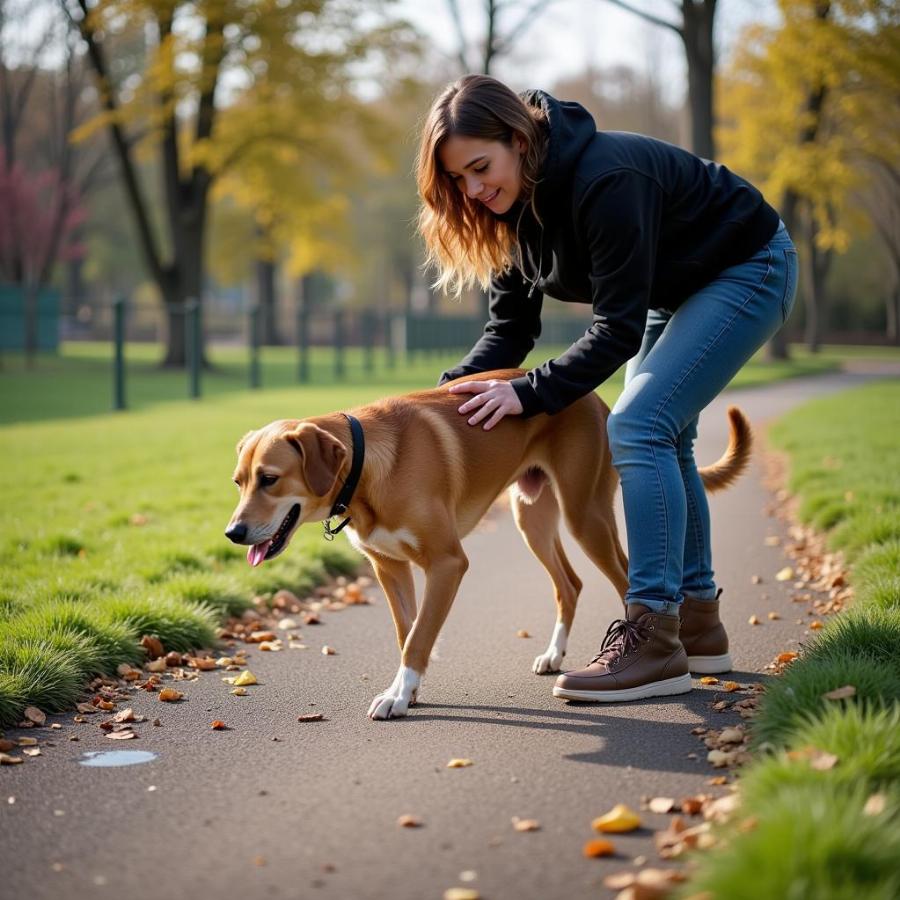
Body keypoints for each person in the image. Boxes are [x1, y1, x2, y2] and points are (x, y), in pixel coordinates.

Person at [415, 74, 798, 702]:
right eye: (459, 179)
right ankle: (698, 624)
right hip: (670, 289)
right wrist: (438, 401)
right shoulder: (512, 210)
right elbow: (508, 332)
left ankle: (652, 635)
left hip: (746, 266)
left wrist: (530, 394)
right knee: (664, 435)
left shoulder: (605, 178)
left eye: (481, 167)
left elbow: (615, 330)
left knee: (637, 424)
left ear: (519, 138)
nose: (475, 190)